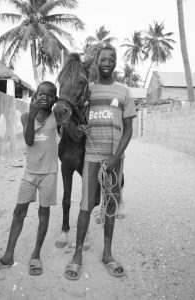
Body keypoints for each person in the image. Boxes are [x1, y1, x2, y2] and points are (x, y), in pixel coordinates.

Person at [64, 45, 136, 280]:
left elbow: (128, 130)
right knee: (86, 205)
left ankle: (107, 254)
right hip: (91, 157)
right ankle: (77, 255)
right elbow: (74, 116)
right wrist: (77, 129)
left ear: (116, 63)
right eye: (103, 58)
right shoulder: (87, 89)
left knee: (111, 206)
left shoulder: (124, 92)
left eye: (111, 59)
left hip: (114, 159)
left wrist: (116, 157)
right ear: (96, 62)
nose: (107, 62)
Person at [0, 81, 58, 276]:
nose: (44, 97)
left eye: (50, 95)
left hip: (49, 173)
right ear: (35, 96)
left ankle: (36, 255)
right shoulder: (26, 117)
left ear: (55, 99)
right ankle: (8, 256)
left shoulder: (56, 117)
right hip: (30, 174)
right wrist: (32, 116)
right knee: (19, 212)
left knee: (43, 213)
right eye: (41, 93)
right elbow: (29, 141)